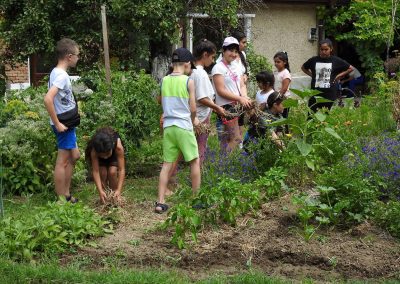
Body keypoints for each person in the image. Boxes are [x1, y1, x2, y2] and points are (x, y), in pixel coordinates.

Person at [156, 48, 200, 213]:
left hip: (168, 127)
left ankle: (160, 202)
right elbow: (193, 107)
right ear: (187, 63)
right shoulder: (188, 81)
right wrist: (193, 118)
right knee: (194, 161)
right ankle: (197, 199)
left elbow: (161, 101)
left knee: (167, 164)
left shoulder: (164, 80)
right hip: (183, 126)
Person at [44, 38, 81, 202]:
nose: (78, 59)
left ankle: (66, 194)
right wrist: (57, 123)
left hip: (68, 123)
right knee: (62, 162)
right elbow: (48, 99)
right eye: (77, 55)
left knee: (75, 156)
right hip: (63, 124)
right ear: (69, 56)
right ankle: (62, 200)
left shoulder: (55, 72)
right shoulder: (62, 76)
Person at [212, 36, 252, 152]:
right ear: (223, 50)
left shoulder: (236, 67)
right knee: (236, 138)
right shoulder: (218, 68)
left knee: (230, 137)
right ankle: (223, 162)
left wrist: (244, 97)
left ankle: (224, 164)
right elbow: (221, 91)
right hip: (227, 106)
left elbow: (242, 85)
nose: (234, 54)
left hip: (238, 105)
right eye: (230, 50)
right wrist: (240, 98)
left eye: (236, 51)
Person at [191, 39, 225, 164]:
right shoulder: (201, 73)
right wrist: (216, 107)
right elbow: (202, 98)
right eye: (212, 56)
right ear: (205, 55)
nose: (213, 60)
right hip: (201, 116)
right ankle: (197, 175)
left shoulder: (192, 71)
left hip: (195, 115)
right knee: (201, 146)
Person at [301, 39, 353, 112]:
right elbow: (303, 67)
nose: (324, 52)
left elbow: (350, 68)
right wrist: (312, 75)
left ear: (331, 49)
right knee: (311, 114)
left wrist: (339, 76)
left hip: (329, 93)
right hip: (315, 93)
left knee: (326, 114)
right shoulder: (313, 60)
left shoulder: (335, 60)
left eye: (326, 49)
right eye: (322, 49)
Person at [85, 127, 125, 204]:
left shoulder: (118, 146)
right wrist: (100, 191)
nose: (105, 157)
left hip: (113, 155)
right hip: (100, 154)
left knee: (112, 172)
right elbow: (95, 171)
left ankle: (114, 196)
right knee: (102, 173)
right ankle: (104, 197)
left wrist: (119, 190)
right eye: (103, 155)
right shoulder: (94, 150)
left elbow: (121, 169)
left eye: (107, 154)